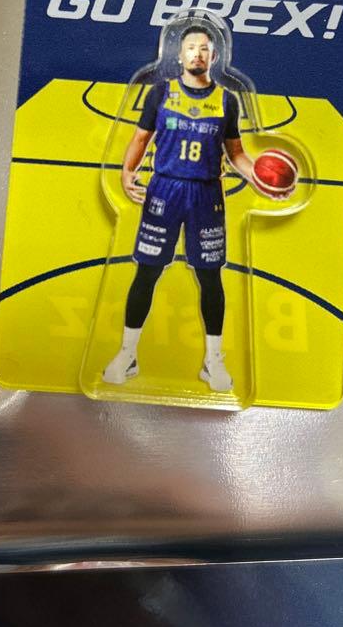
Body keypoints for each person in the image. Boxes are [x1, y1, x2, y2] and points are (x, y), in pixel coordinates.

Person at [103, 21, 266, 392]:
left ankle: (213, 361)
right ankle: (127, 354)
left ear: (214, 55)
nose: (198, 53)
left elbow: (236, 153)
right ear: (179, 54)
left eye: (204, 48)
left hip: (206, 195)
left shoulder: (227, 100)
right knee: (147, 271)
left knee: (210, 277)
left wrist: (258, 176)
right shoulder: (161, 92)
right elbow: (141, 138)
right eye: (191, 47)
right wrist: (127, 172)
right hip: (164, 190)